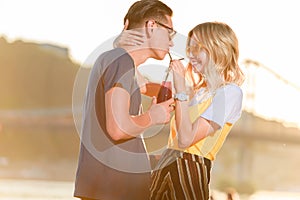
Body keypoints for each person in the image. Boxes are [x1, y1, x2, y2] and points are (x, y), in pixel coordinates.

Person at [115, 21, 244, 200]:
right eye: (190, 49)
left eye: (198, 48)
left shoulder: (230, 93)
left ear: (217, 49)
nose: (191, 55)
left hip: (191, 170)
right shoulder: (196, 92)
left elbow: (185, 139)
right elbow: (141, 85)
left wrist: (181, 88)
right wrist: (125, 50)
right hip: (165, 166)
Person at [73, 1, 175, 199]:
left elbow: (143, 87)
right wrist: (153, 116)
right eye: (170, 32)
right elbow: (118, 128)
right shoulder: (121, 61)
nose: (171, 42)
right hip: (115, 191)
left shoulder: (116, 61)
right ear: (151, 26)